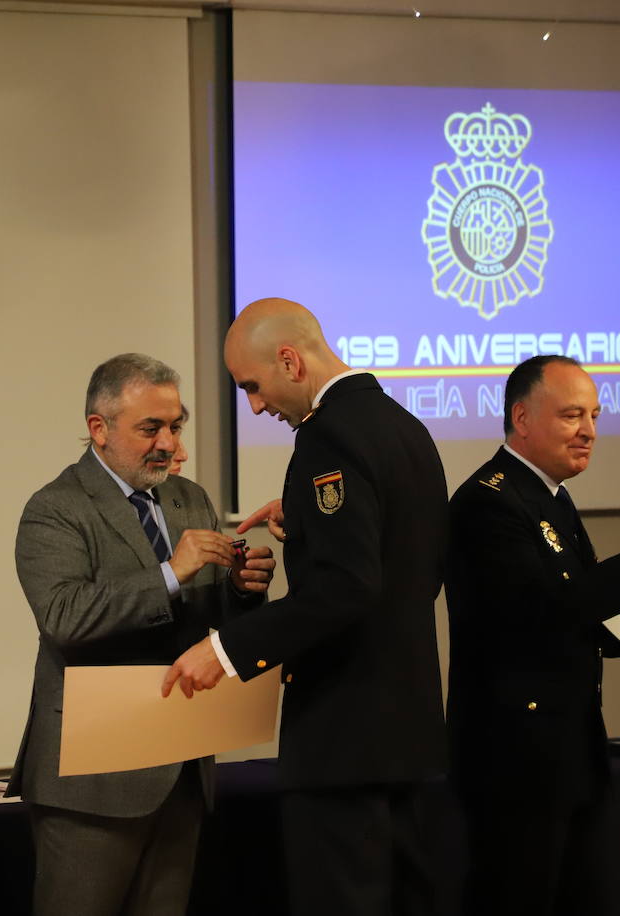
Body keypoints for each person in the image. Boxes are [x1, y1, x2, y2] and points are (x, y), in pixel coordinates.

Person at [165, 298, 450, 915]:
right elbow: (413, 568)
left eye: (254, 387)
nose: (258, 406)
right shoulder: (407, 428)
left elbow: (347, 588)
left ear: (289, 360)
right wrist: (313, 529)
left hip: (342, 739)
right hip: (406, 731)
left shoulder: (328, 439)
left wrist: (226, 649)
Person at [9, 353, 273, 916]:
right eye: (149, 428)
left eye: (175, 425)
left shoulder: (189, 498)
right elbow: (65, 617)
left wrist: (243, 592)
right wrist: (170, 574)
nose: (168, 442)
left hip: (179, 763)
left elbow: (205, 622)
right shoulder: (55, 508)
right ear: (98, 430)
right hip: (91, 778)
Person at [445, 354, 620, 916]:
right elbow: (534, 613)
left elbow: (578, 621)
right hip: (513, 761)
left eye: (594, 416)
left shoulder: (551, 498)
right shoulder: (486, 503)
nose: (588, 431)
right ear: (521, 418)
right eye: (571, 416)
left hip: (566, 753)